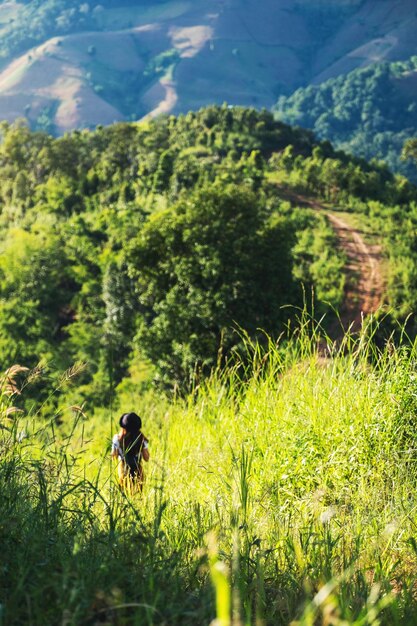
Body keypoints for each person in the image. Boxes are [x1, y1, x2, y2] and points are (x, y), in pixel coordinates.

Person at [111, 412, 149, 492]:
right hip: (138, 469)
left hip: (123, 469)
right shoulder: (141, 439)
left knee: (124, 493)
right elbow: (146, 458)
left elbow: (114, 456)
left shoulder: (117, 439)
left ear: (123, 427)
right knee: (139, 493)